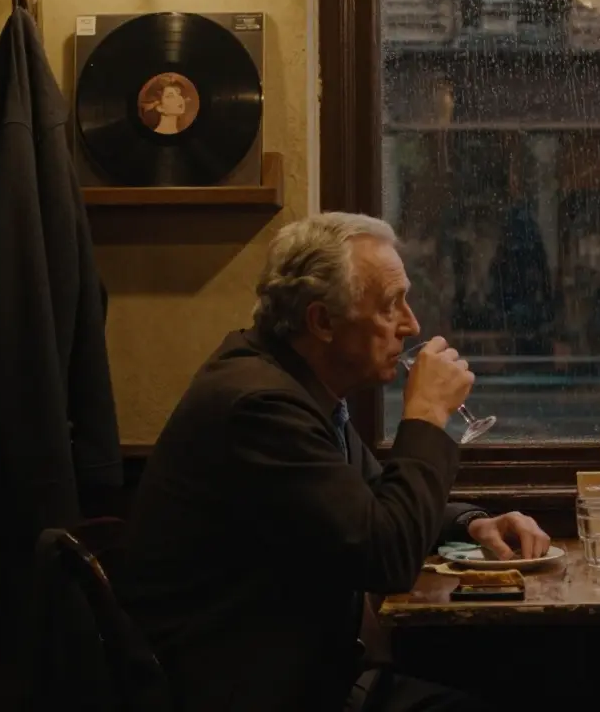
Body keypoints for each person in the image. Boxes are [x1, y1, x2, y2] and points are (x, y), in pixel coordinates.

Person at [118, 212, 551, 712]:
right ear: (322, 321)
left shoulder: (298, 389)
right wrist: (427, 414)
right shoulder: (259, 408)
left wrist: (474, 523)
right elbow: (386, 555)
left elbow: (373, 505)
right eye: (391, 306)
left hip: (303, 679)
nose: (411, 324)